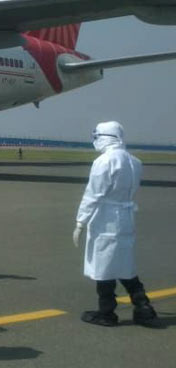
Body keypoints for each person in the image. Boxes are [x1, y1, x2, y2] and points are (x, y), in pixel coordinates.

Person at [73, 121, 158, 327]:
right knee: (125, 265)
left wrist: (80, 221)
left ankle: (106, 312)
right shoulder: (134, 162)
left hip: (106, 218)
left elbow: (93, 194)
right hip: (126, 217)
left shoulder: (104, 161)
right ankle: (143, 306)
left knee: (104, 267)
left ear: (105, 137)